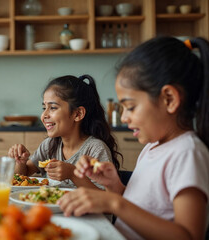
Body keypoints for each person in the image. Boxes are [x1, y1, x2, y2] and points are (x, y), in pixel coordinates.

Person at [58, 36, 209, 239]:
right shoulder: (152, 147)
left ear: (169, 99)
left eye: (130, 107)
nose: (124, 117)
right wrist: (115, 186)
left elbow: (189, 236)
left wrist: (113, 203)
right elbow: (145, 208)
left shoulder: (188, 153)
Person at [8, 75, 121, 189]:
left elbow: (106, 197)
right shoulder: (49, 145)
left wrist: (73, 174)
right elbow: (22, 176)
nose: (44, 115)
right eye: (44, 108)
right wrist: (21, 162)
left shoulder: (96, 149)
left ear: (78, 114)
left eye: (53, 108)